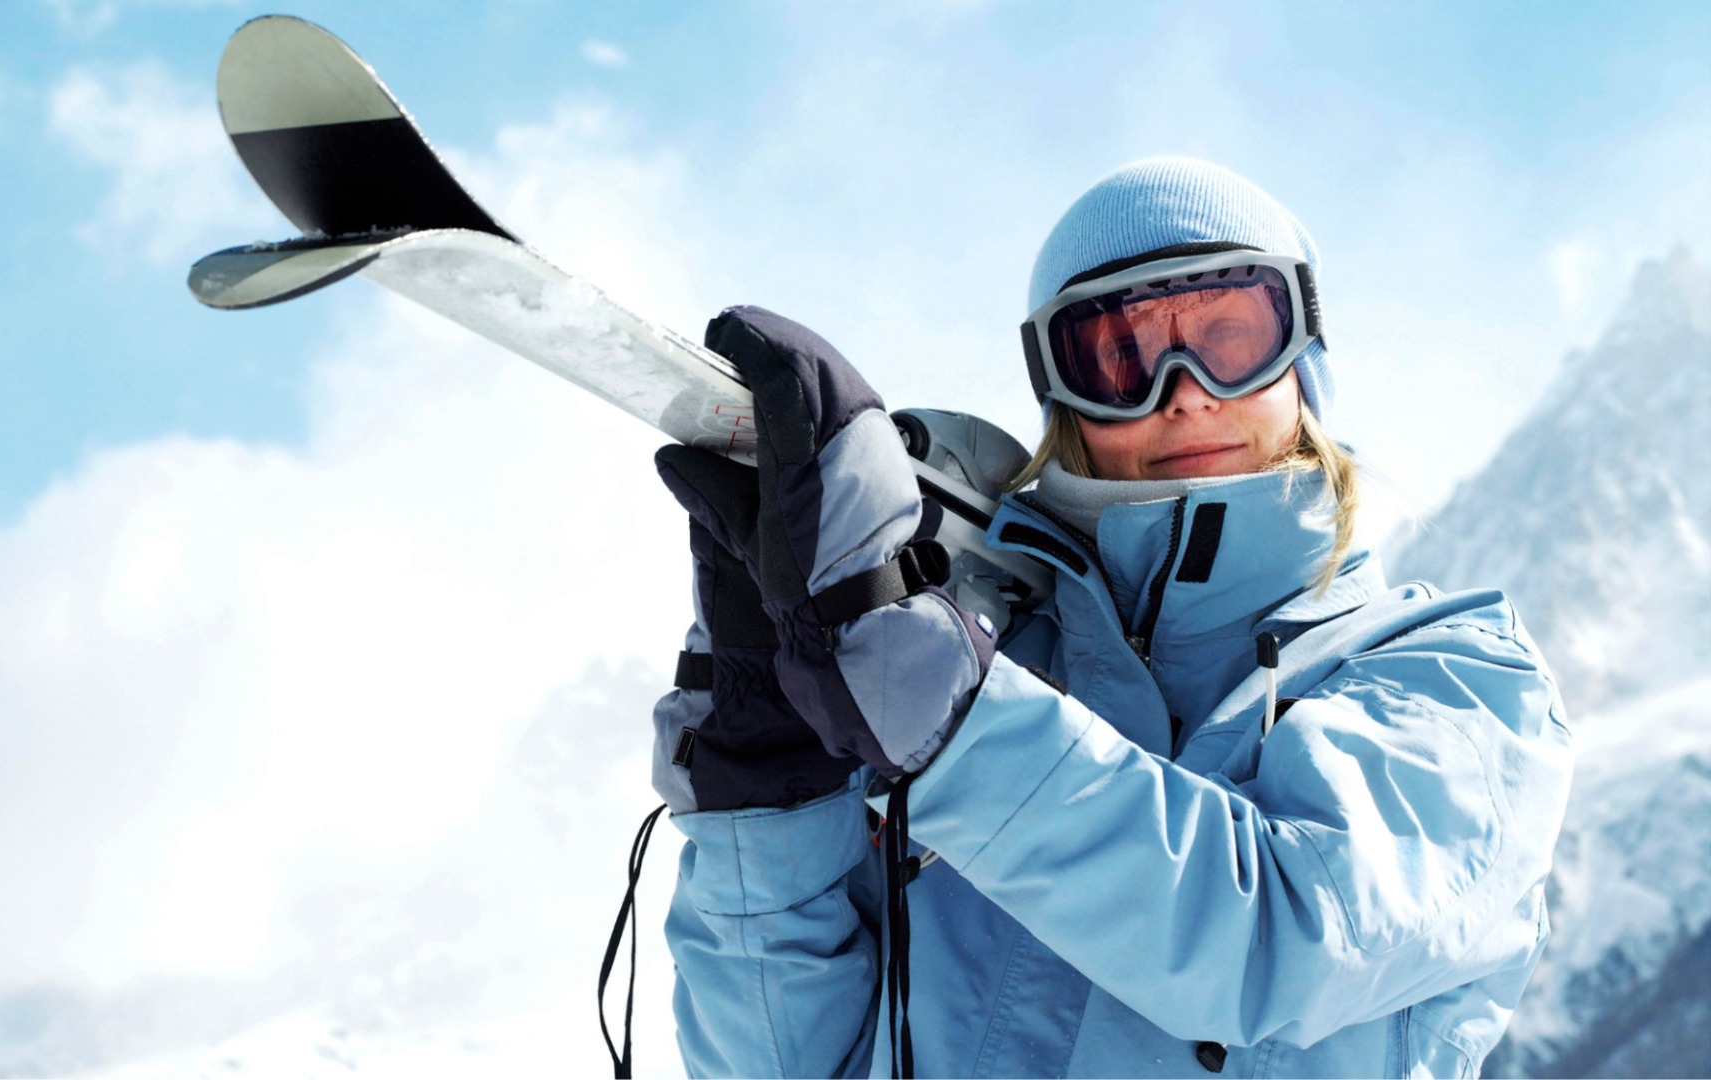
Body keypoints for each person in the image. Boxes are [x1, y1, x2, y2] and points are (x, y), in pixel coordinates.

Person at [646, 157, 1572, 1078]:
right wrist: (768, 795)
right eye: (1121, 356)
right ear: (1064, 399)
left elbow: (1281, 942)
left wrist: (955, 718)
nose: (1183, 388)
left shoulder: (1457, 680)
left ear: (1304, 357)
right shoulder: (984, 664)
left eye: (1230, 336)